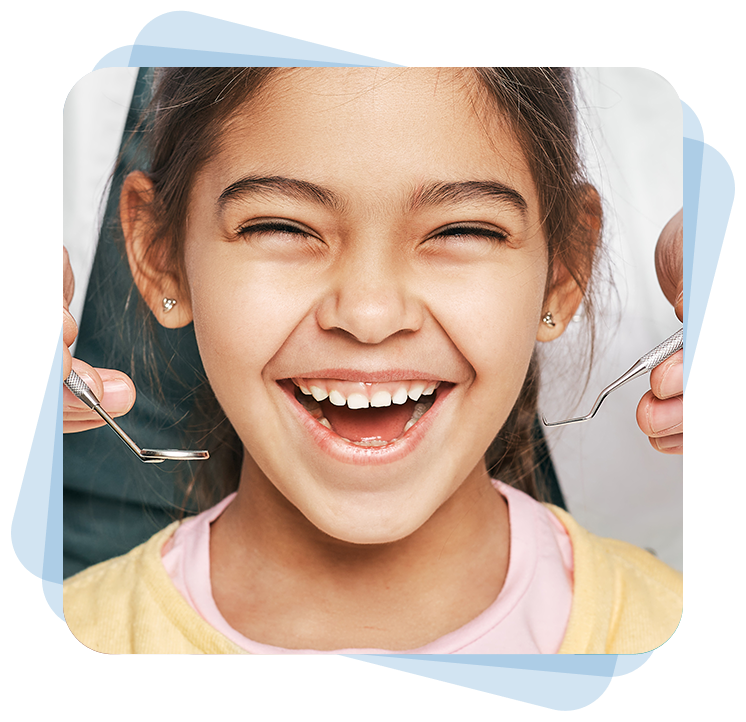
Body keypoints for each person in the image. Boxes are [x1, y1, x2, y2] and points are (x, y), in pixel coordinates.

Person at [62, 67, 683, 655]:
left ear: (563, 271)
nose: (368, 314)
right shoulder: (59, 646)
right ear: (160, 252)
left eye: (462, 230)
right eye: (281, 226)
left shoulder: (693, 637)